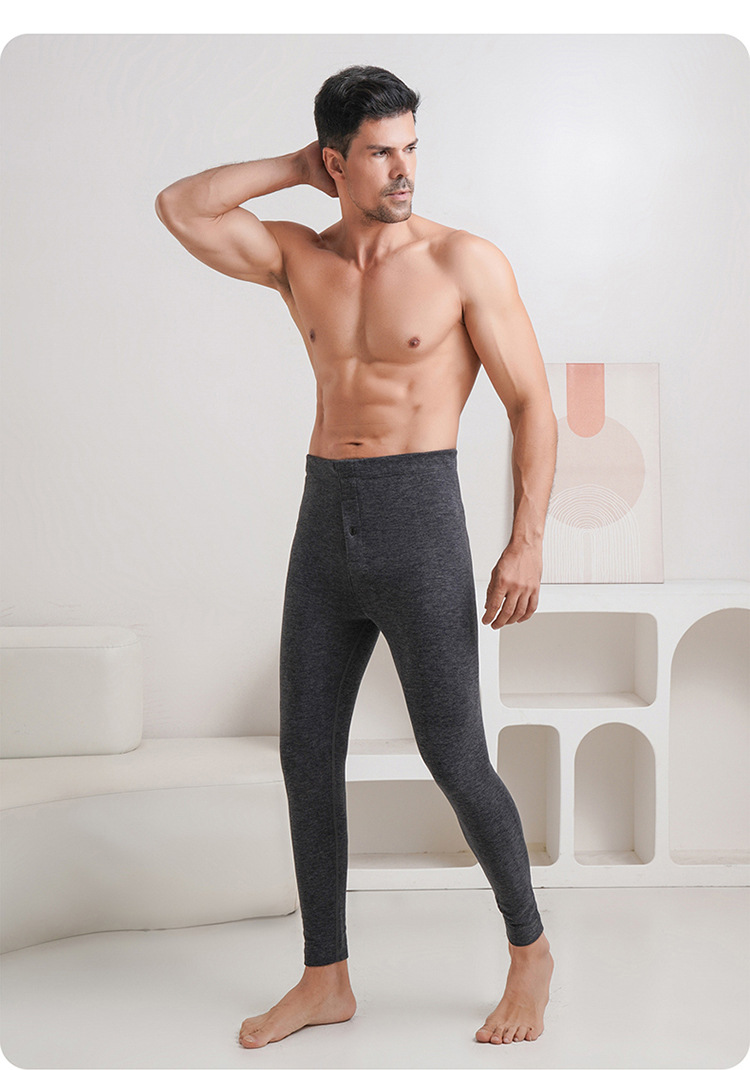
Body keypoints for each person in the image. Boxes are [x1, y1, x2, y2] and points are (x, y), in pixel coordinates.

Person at [155, 64, 557, 1049]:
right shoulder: (299, 256)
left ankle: (530, 952)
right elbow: (180, 206)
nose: (404, 168)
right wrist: (294, 167)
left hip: (420, 520)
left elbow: (530, 405)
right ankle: (325, 976)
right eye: (380, 152)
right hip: (324, 520)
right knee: (306, 755)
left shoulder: (464, 261)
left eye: (411, 146)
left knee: (453, 754)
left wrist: (526, 541)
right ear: (335, 162)